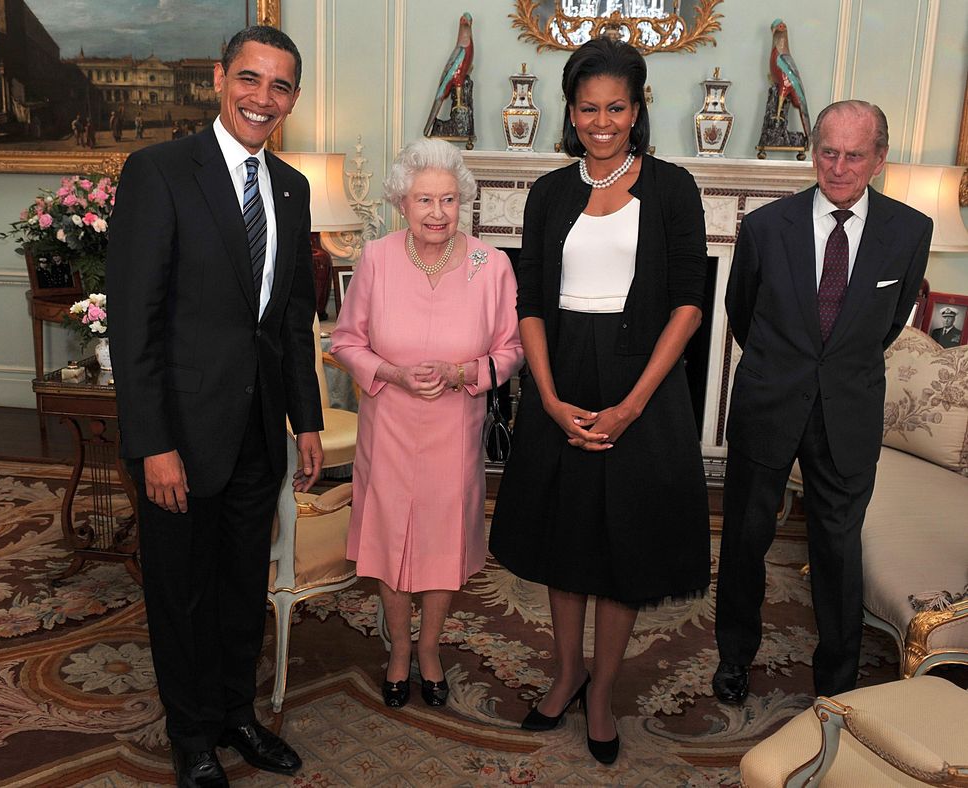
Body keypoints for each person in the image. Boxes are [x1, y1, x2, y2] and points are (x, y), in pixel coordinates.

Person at [106, 25, 320, 787]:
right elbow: (134, 322)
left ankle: (235, 713)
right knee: (181, 591)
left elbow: (292, 318)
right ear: (220, 80)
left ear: (293, 98)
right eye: (251, 80)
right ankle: (190, 732)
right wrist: (154, 442)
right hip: (181, 438)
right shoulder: (159, 172)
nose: (264, 99)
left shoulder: (291, 188)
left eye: (281, 86)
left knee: (239, 590)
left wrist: (308, 421)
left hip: (259, 434)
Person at [488, 37, 710, 766]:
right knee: (564, 540)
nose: (602, 121)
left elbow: (688, 305)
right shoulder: (549, 193)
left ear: (639, 107)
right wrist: (546, 398)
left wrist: (633, 405)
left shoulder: (674, 188)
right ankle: (566, 673)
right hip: (563, 378)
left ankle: (604, 690)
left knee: (622, 548)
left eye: (616, 107)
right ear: (571, 111)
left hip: (641, 382)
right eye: (589, 108)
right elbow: (530, 304)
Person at [713, 100, 932, 705]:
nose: (837, 167)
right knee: (745, 539)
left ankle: (837, 680)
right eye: (827, 152)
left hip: (848, 411)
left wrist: (833, 368)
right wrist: (787, 365)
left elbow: (887, 325)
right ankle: (734, 658)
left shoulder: (910, 231)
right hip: (768, 403)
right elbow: (742, 314)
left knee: (839, 549)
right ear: (814, 152)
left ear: (879, 159)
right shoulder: (765, 227)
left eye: (853, 155)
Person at [331, 137, 522, 712]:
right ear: (401, 204)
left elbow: (511, 351)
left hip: (453, 428)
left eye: (447, 200)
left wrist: (466, 371)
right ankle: (396, 653)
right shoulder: (377, 258)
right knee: (390, 537)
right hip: (388, 422)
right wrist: (391, 371)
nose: (437, 213)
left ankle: (431, 649)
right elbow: (345, 341)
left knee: (441, 540)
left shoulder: (493, 265)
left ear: (461, 201)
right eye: (423, 201)